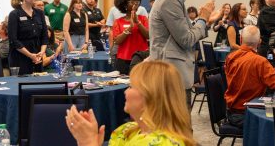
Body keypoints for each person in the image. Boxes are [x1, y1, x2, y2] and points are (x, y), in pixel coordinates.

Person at [66, 61, 195, 146]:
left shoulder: (161, 143)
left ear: (150, 95)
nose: (126, 92)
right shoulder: (128, 129)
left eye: (132, 86)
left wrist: (89, 142)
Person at [150, 0, 215, 106]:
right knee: (180, 128)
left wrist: (205, 21)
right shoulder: (170, 0)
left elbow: (187, 32)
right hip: (171, 76)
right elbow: (186, 39)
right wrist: (203, 19)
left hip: (171, 73)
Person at [225, 26, 275, 128]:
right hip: (248, 115)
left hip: (231, 112)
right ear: (259, 42)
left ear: (241, 39)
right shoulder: (259, 62)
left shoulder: (230, 57)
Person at [8, 0, 48, 75]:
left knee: (38, 85)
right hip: (20, 57)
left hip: (37, 57)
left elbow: (44, 36)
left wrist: (41, 53)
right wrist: (30, 55)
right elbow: (13, 40)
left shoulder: (40, 13)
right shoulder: (14, 14)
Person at [106, 0, 149, 66]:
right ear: (125, 5)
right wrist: (130, 28)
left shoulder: (143, 19)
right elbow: (117, 41)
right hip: (124, 58)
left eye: (137, 2)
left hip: (141, 57)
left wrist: (138, 23)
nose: (135, 4)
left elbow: (148, 36)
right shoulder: (118, 21)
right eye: (132, 2)